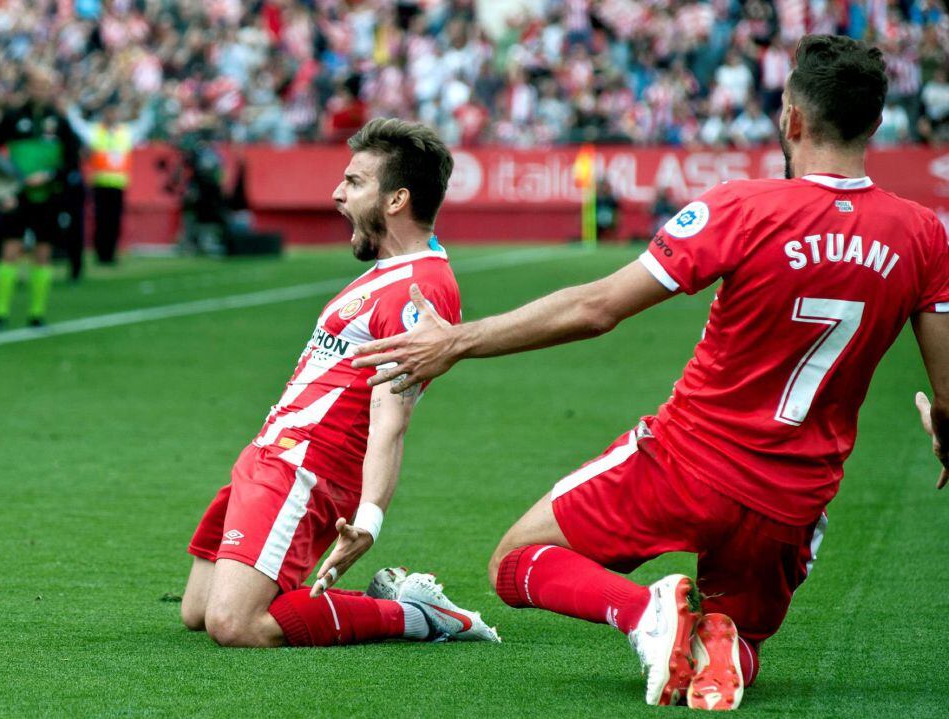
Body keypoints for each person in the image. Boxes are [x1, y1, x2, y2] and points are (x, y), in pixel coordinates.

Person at [353, 36, 949, 709]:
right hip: (791, 500)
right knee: (739, 638)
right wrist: (941, 429)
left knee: (515, 562)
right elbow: (948, 388)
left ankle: (647, 613)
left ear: (791, 120)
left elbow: (598, 306)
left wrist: (457, 340)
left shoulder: (741, 207)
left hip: (685, 464)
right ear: (875, 124)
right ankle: (715, 635)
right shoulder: (923, 234)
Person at [180, 118, 500, 649]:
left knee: (235, 625)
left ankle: (415, 614)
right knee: (199, 611)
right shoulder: (387, 272)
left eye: (353, 182)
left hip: (307, 468)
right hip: (269, 456)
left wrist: (369, 518)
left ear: (396, 199)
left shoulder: (418, 290)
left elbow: (390, 419)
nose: (337, 193)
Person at [0, 66, 82, 328]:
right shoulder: (13, 117)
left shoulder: (59, 122)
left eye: (45, 85)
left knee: (43, 252)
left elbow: (72, 160)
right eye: (36, 84)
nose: (40, 90)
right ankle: (0, 313)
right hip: (17, 196)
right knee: (11, 249)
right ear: (27, 87)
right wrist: (7, 183)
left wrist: (50, 176)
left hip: (48, 197)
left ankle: (37, 314)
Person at [64, 99, 154, 265]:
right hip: (100, 183)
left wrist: (145, 105)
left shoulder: (126, 132)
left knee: (114, 220)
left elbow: (145, 124)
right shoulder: (95, 132)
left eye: (114, 112)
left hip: (119, 184)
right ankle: (101, 253)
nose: (112, 116)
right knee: (101, 220)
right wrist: (73, 104)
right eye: (109, 112)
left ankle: (110, 253)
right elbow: (76, 123)